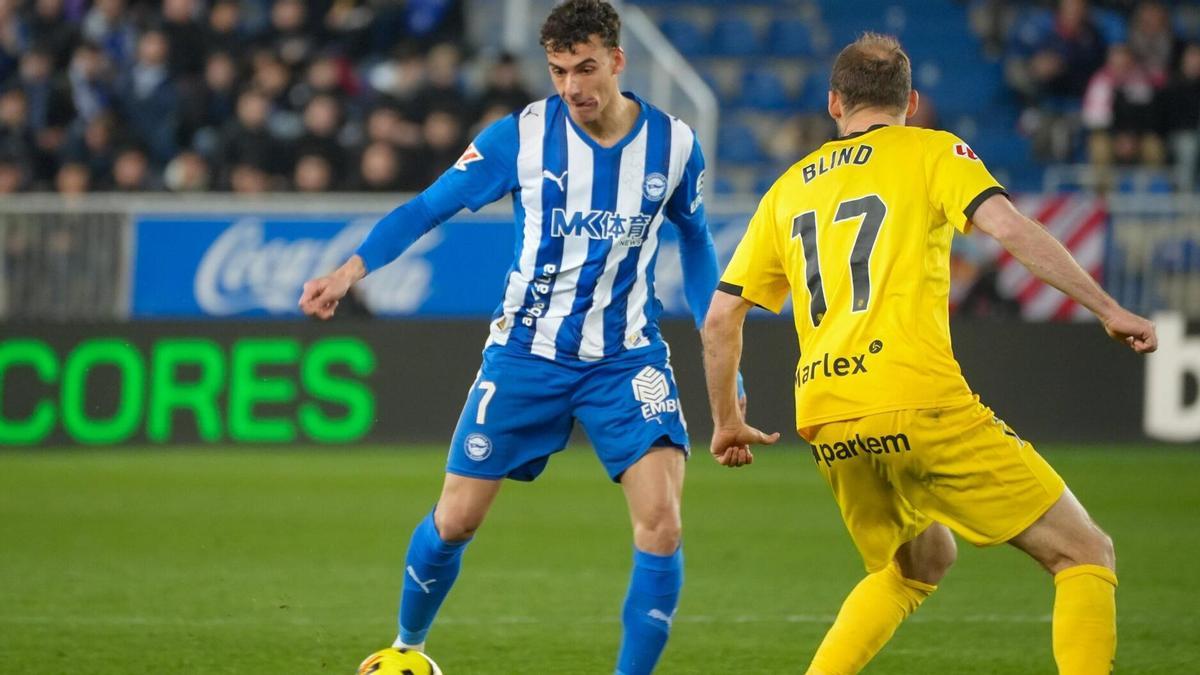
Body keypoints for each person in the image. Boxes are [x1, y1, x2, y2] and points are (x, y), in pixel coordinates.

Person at [701, 33, 1157, 675]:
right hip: (917, 397)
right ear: (910, 102)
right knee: (1085, 552)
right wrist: (1109, 308)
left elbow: (720, 318)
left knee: (918, 562)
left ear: (835, 103)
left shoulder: (787, 189)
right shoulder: (932, 150)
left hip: (828, 417)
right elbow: (1010, 229)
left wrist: (727, 420)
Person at [299, 2, 729, 673]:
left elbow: (697, 242)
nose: (572, 86)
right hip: (526, 355)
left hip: (627, 359)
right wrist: (349, 270)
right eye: (558, 71)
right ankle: (407, 648)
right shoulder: (520, 137)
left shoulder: (673, 146)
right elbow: (427, 207)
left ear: (617, 61)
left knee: (662, 523)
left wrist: (720, 342)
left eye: (585, 68)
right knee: (455, 520)